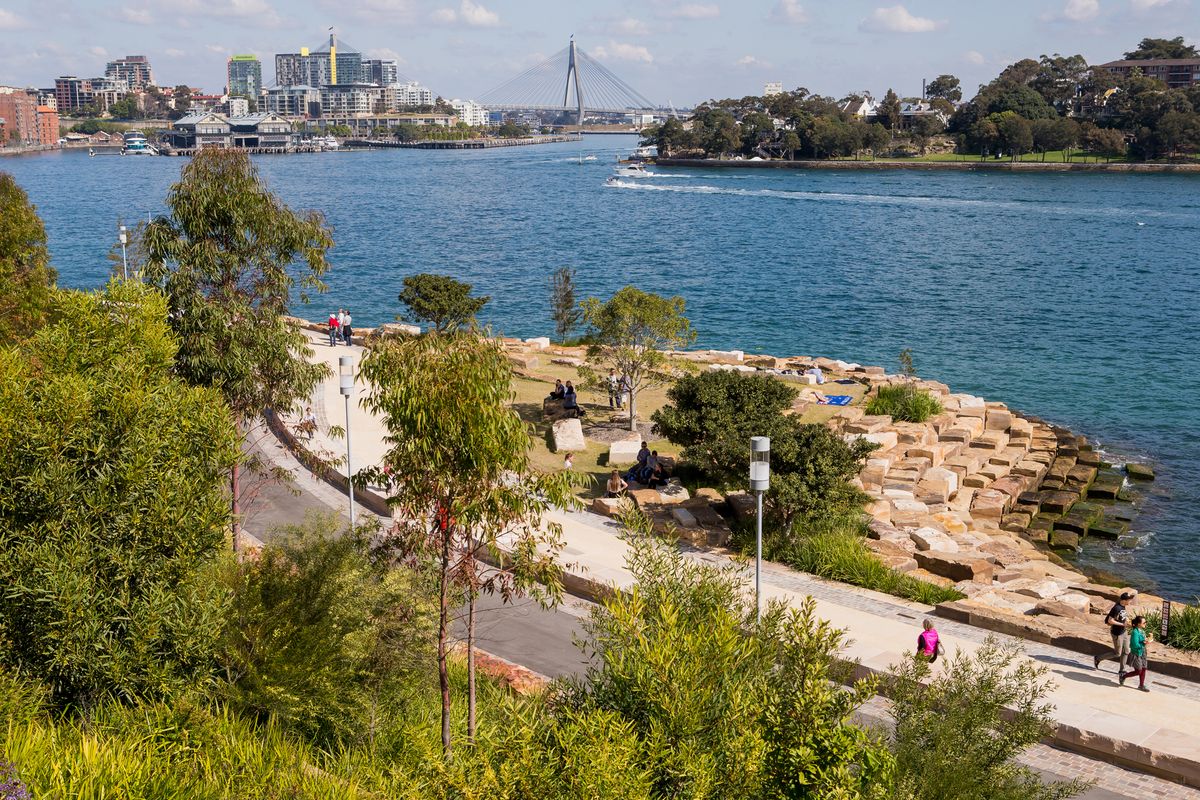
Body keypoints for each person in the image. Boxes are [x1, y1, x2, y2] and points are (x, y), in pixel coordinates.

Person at [1094, 591, 1135, 672]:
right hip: (1117, 633)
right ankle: (1098, 658)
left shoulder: (1123, 606)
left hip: (1124, 632)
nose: (1130, 601)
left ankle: (1122, 670)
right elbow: (1110, 621)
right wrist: (1123, 624)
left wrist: (1128, 621)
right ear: (1124, 600)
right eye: (1129, 600)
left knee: (1126, 650)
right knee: (1117, 653)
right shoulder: (1116, 608)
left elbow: (1122, 616)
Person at [1119, 616, 1151, 691]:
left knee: (1144, 668)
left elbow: (1141, 641)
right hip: (1136, 653)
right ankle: (1123, 676)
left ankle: (1141, 685)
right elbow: (1135, 644)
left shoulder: (1142, 631)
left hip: (1143, 652)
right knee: (1138, 671)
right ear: (1139, 624)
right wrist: (1144, 644)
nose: (1145, 623)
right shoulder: (1135, 632)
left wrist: (1146, 640)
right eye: (1144, 622)